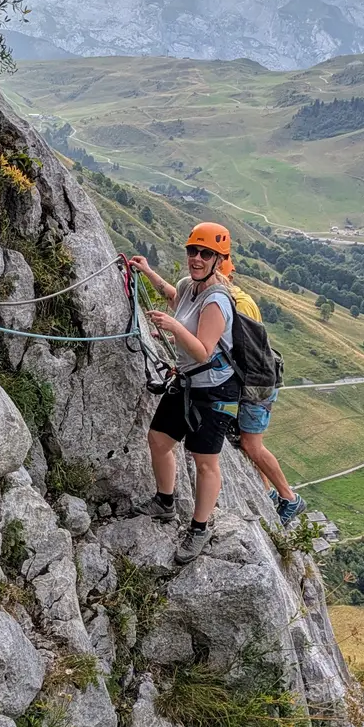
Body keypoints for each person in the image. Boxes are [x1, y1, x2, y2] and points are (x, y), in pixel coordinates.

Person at [129, 223, 240, 563]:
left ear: (219, 260)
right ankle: (165, 501)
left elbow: (204, 350)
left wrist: (174, 327)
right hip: (189, 382)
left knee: (204, 462)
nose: (196, 258)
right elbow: (175, 300)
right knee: (159, 439)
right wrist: (148, 273)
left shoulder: (218, 301)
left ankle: (200, 528)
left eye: (206, 253)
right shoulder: (189, 287)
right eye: (193, 250)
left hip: (215, 388)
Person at [219, 257, 306, 524]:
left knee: (251, 445)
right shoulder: (235, 299)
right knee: (249, 442)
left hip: (258, 385)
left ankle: (289, 498)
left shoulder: (237, 304)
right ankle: (267, 492)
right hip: (257, 381)